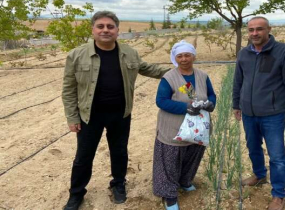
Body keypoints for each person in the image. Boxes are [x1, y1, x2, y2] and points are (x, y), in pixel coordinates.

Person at [62, 11, 170, 210]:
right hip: (89, 115)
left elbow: (148, 69)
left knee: (119, 152)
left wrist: (178, 71)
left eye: (110, 27)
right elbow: (68, 89)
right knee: (84, 156)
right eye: (100, 26)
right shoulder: (76, 55)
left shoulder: (129, 53)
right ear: (93, 30)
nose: (105, 30)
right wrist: (72, 116)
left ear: (117, 31)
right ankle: (76, 194)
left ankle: (118, 184)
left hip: (120, 113)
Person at [232, 16, 285, 210]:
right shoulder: (244, 54)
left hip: (272, 113)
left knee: (277, 155)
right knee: (253, 147)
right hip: (248, 113)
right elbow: (238, 81)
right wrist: (236, 104)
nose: (254, 33)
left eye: (259, 29)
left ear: (269, 30)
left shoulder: (284, 52)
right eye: (251, 30)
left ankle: (278, 194)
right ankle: (259, 175)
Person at [153, 40, 216, 210]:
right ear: (175, 58)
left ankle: (185, 181)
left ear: (193, 56)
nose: (184, 59)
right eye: (179, 56)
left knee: (192, 155)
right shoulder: (169, 78)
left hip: (198, 127)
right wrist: (185, 108)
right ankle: (169, 195)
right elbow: (161, 101)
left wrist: (211, 103)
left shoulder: (202, 76)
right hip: (174, 126)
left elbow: (211, 94)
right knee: (170, 160)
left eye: (187, 55)